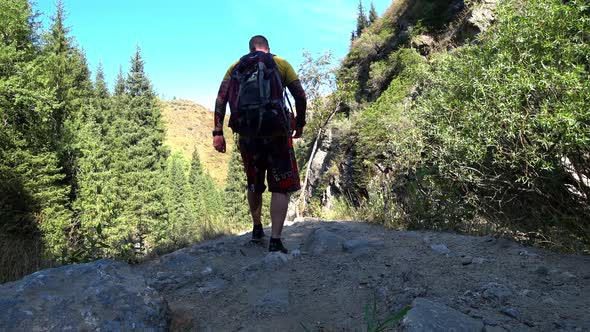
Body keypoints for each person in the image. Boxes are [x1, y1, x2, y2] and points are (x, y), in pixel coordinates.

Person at [212, 35, 307, 253]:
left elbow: (221, 99)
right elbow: (300, 96)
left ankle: (257, 229)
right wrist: (299, 123)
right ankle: (275, 240)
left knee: (254, 183)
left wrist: (218, 132)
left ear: (250, 49)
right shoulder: (280, 63)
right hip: (277, 134)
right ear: (268, 48)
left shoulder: (236, 67)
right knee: (281, 187)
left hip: (248, 136)